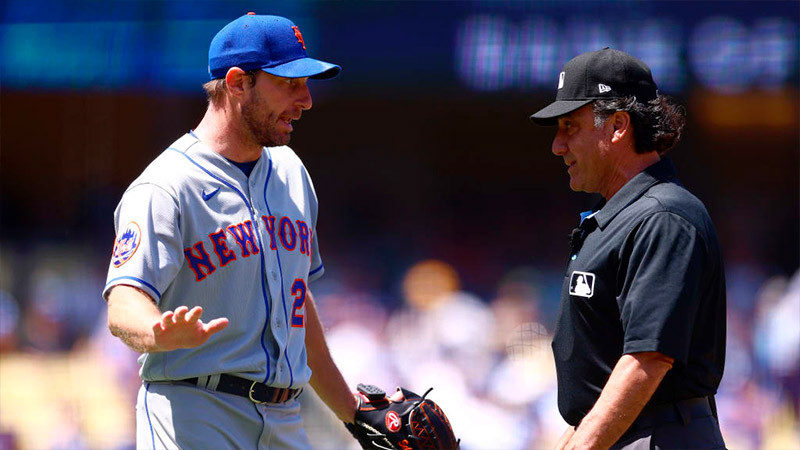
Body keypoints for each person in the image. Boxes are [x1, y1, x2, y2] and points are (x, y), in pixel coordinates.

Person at [103, 13, 356, 448]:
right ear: (238, 82)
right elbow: (123, 302)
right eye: (289, 83)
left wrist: (354, 414)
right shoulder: (165, 186)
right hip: (195, 412)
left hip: (285, 418)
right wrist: (156, 331)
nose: (307, 100)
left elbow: (297, 304)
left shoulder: (292, 173)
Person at [530, 48, 727, 449]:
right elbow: (601, 387)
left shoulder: (663, 215)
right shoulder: (618, 217)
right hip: (626, 431)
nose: (557, 145)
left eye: (570, 126)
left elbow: (646, 361)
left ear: (618, 125)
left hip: (658, 435)